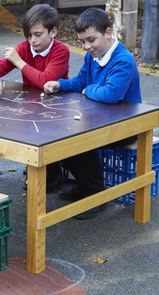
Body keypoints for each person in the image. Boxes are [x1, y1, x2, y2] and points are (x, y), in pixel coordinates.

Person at [43, 7, 142, 219]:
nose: (87, 47)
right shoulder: (93, 56)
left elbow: (111, 94)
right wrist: (60, 85)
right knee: (62, 135)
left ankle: (95, 194)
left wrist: (88, 90)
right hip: (101, 118)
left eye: (91, 40)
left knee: (81, 140)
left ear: (108, 33)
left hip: (127, 125)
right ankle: (85, 186)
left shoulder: (123, 60)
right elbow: (81, 80)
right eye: (82, 42)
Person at [0, 3, 70, 192]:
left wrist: (18, 61)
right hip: (32, 103)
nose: (32, 40)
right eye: (29, 34)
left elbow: (46, 80)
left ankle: (54, 171)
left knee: (48, 136)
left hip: (57, 103)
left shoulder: (61, 51)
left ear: (53, 32)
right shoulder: (23, 48)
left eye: (38, 34)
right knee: (25, 131)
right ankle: (36, 168)